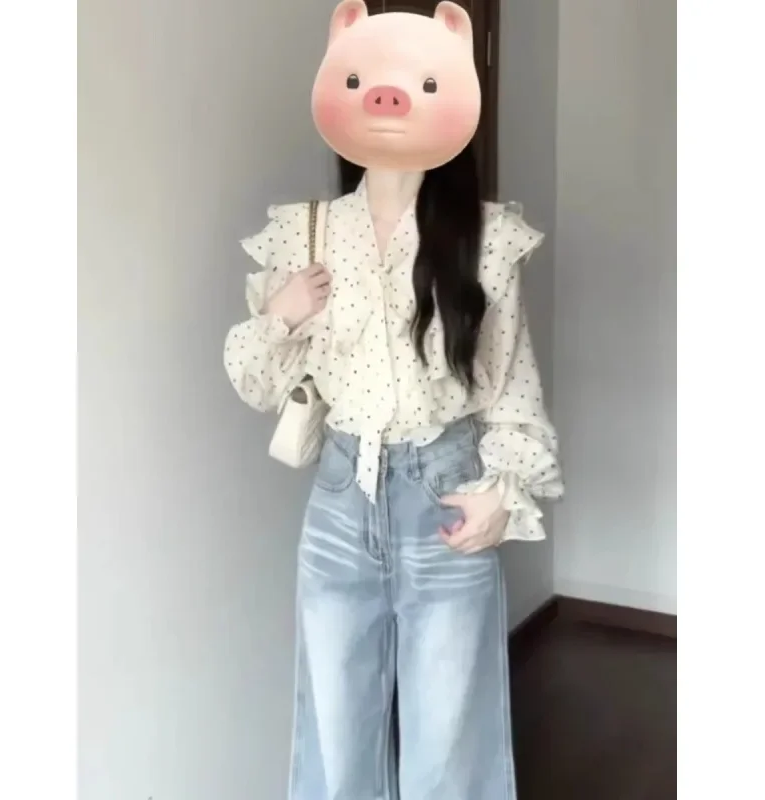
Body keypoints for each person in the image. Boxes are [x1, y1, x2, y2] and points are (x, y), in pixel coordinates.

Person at [223, 2, 563, 798]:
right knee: (335, 737)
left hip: (446, 495)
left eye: (421, 82)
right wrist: (280, 316)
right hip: (341, 502)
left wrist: (502, 493)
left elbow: (512, 385)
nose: (388, 97)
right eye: (365, 79)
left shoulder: (485, 238)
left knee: (449, 746)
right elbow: (254, 381)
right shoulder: (305, 232)